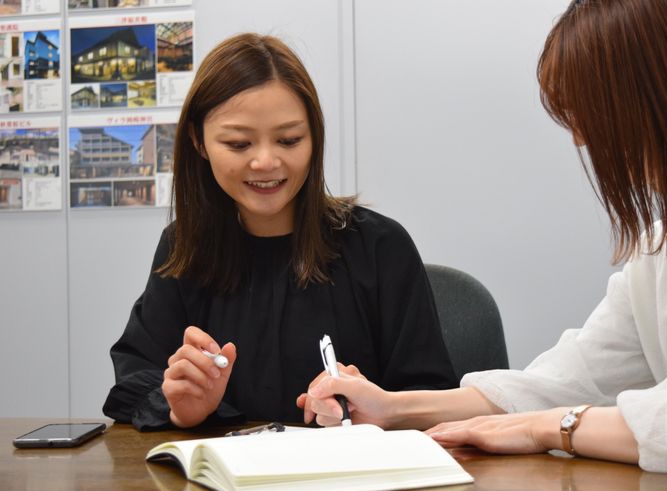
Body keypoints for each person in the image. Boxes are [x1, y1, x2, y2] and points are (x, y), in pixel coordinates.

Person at [301, 0, 667, 491]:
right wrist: (393, 408)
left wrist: (550, 427)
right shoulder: (662, 244)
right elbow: (566, 380)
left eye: (590, 114)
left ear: (657, 101)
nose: (582, 138)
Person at [102, 34, 457, 431]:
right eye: (238, 144)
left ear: (314, 137)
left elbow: (434, 394)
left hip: (352, 484)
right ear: (199, 142)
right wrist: (181, 406)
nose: (266, 162)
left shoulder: (379, 247)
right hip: (221, 486)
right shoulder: (185, 247)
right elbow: (136, 376)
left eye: (289, 140)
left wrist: (374, 409)